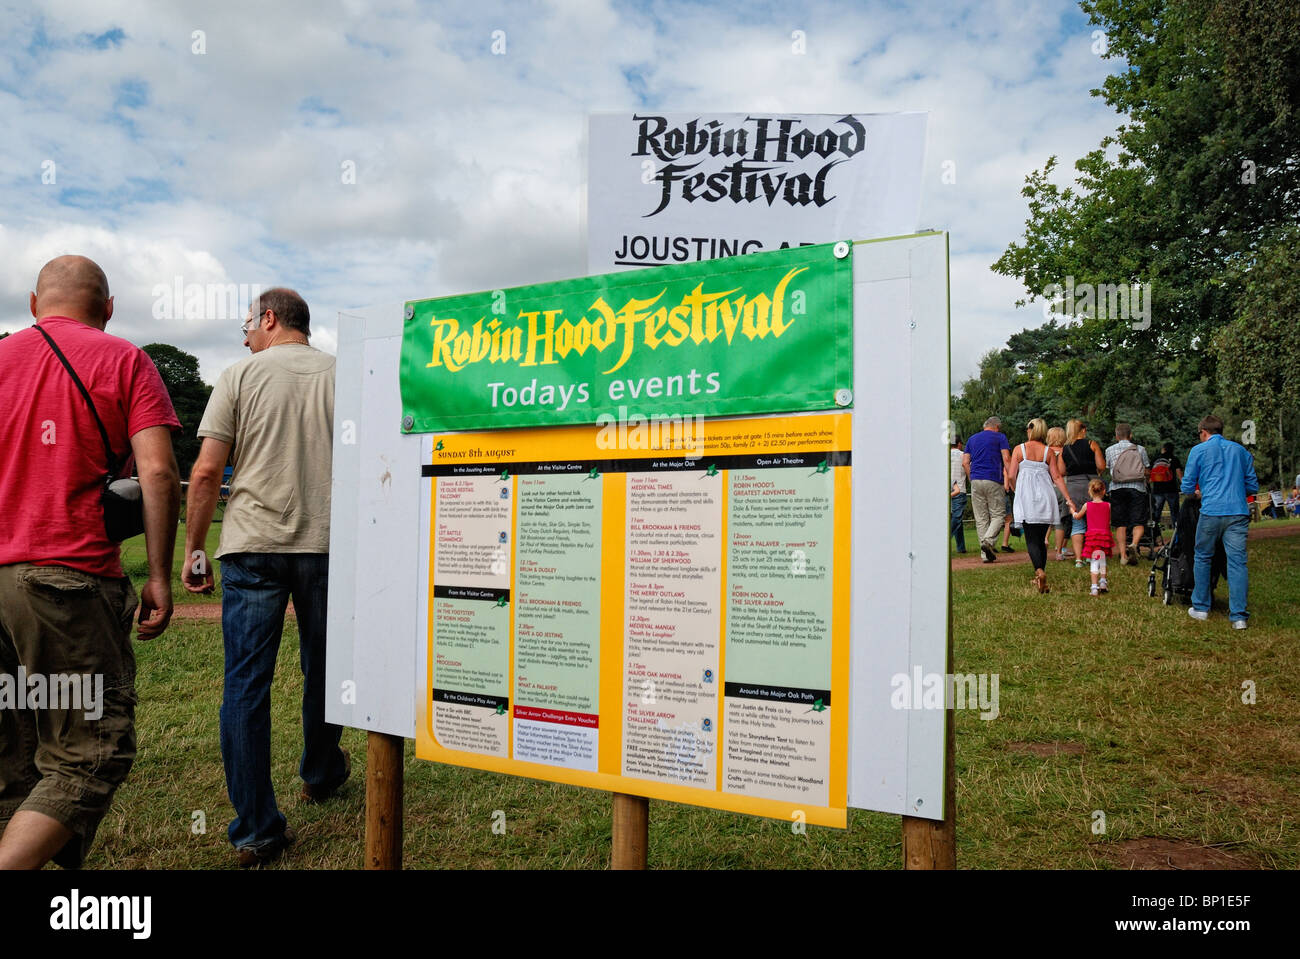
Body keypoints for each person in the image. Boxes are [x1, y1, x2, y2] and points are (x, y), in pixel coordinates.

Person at [0, 255, 180, 870]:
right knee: (87, 750)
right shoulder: (124, 359)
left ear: (31, 303)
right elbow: (157, 470)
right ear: (107, 308)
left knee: (15, 753)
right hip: (64, 581)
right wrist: (158, 574)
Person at [182, 288, 346, 867]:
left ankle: (257, 828)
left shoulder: (239, 375)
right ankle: (322, 773)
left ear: (270, 319)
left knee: (245, 686)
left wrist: (195, 548)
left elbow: (205, 473)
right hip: (329, 544)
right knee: (325, 669)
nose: (244, 334)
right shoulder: (345, 375)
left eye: (247, 323)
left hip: (252, 543)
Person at [1181, 414, 1257, 628]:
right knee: (1237, 562)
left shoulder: (1198, 451)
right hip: (1237, 512)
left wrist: (1198, 493)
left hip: (1211, 511)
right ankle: (1239, 616)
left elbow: (1187, 487)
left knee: (1203, 556)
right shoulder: (1241, 451)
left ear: (1203, 432)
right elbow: (1252, 486)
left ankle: (1201, 607)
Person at [1008, 418, 1076, 593]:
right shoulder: (1048, 452)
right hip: (1046, 496)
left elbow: (1011, 476)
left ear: (1030, 430)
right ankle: (1040, 574)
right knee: (1041, 539)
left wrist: (1017, 490)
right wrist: (1068, 499)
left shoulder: (1019, 449)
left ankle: (1039, 571)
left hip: (1026, 498)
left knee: (1031, 538)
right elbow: (1057, 477)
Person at [963, 416, 1012, 563]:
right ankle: (988, 542)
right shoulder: (1000, 437)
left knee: (981, 518)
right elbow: (1006, 458)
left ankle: (985, 555)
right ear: (996, 426)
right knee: (998, 515)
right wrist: (1011, 478)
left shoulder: (972, 439)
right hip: (993, 479)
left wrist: (972, 479)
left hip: (976, 479)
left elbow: (965, 462)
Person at [1061, 419, 1107, 568]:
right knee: (1093, 523)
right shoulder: (1091, 444)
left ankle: (1078, 559)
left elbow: (1061, 471)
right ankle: (1091, 556)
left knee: (1077, 524)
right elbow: (1101, 465)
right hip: (1091, 485)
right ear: (1083, 430)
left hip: (1073, 486)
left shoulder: (1065, 449)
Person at [1105, 423, 1150, 565]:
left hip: (1117, 488)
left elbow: (1109, 468)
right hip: (1137, 487)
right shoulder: (1140, 449)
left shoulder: (1109, 450)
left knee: (1120, 523)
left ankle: (1123, 555)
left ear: (1116, 435)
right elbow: (1147, 469)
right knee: (1138, 521)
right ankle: (1134, 544)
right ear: (1130, 435)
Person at [1071, 480, 1114, 597]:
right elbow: (1109, 520)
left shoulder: (1087, 505)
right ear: (1104, 491)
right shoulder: (1108, 505)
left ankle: (1094, 587)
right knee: (1102, 560)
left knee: (1094, 561)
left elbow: (1078, 517)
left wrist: (1072, 511)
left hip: (1092, 537)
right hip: (1104, 536)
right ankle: (1103, 581)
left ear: (1090, 492)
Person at [1046, 426, 1072, 560]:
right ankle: (1059, 551)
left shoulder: (1044, 451)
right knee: (1061, 521)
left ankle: (1044, 539)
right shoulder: (1066, 452)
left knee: (1046, 518)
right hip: (1063, 486)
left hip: (1048, 487)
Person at [1149, 442, 1183, 528]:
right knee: (1175, 513)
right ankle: (1177, 535)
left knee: (1156, 513)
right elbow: (1180, 476)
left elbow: (1149, 475)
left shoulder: (1155, 459)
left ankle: (1155, 533)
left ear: (1163, 449)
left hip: (1157, 490)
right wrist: (1184, 486)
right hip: (1171, 489)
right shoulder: (1175, 459)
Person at [950, 435, 968, 553]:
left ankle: (961, 547)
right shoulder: (963, 455)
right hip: (959, 489)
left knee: (957, 518)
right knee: (957, 518)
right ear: (959, 444)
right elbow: (967, 467)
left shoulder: (944, 456)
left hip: (948, 488)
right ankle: (945, 539)